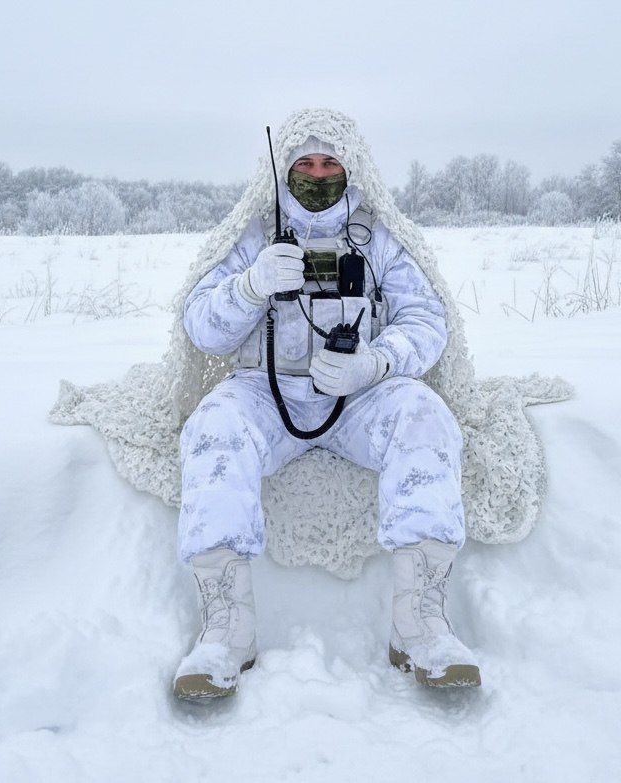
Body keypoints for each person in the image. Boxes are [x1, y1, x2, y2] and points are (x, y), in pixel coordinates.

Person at [172, 122, 482, 700]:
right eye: (305, 165)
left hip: (358, 397)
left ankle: (420, 626)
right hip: (265, 393)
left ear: (352, 168)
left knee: (424, 413)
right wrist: (249, 286)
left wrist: (378, 363)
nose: (318, 175)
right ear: (285, 170)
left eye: (330, 165)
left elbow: (426, 320)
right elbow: (202, 329)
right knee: (213, 428)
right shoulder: (251, 235)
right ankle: (226, 632)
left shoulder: (378, 237)